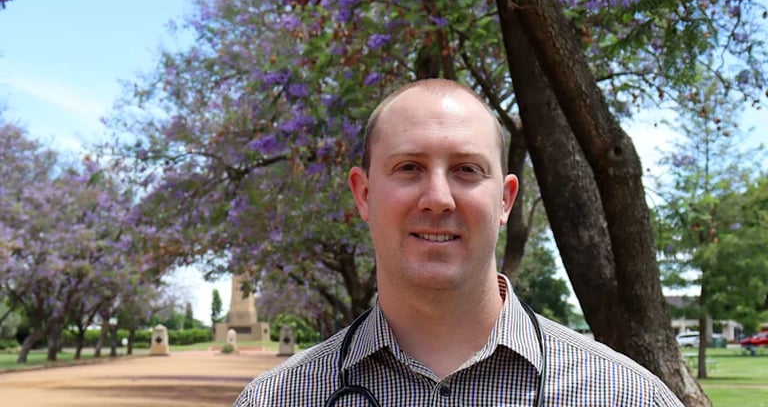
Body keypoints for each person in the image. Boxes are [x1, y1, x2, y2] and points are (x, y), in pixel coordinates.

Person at [233, 79, 684, 406]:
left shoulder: (626, 395)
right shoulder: (278, 399)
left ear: (506, 200)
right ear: (364, 194)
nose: (437, 199)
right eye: (409, 167)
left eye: (467, 170)